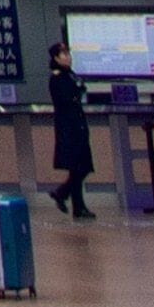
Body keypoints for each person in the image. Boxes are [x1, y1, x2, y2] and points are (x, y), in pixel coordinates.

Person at [42, 44, 95, 219]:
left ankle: (65, 196)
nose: (68, 57)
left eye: (68, 53)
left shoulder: (71, 75)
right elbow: (66, 100)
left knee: (81, 167)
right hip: (69, 128)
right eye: (63, 54)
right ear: (56, 58)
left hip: (78, 126)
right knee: (78, 167)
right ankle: (73, 203)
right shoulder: (57, 78)